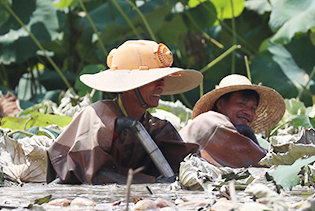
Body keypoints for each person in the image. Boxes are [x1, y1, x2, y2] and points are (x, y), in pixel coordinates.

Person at [47, 40, 203, 184]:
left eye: (162, 79)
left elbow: (186, 161)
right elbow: (95, 175)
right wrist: (153, 182)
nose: (161, 85)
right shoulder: (98, 119)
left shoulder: (154, 127)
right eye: (153, 79)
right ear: (129, 86)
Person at [180, 74, 285, 168]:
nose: (248, 112)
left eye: (252, 108)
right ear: (220, 104)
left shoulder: (229, 129)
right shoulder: (212, 121)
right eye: (241, 104)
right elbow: (259, 160)